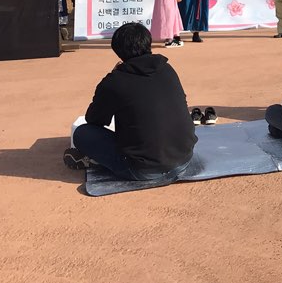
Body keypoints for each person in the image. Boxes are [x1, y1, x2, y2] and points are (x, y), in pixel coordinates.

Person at [63, 22, 197, 180]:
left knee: (82, 133)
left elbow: (94, 120)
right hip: (184, 158)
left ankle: (103, 162)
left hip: (142, 170)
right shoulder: (167, 69)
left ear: (118, 52)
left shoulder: (114, 81)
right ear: (148, 43)